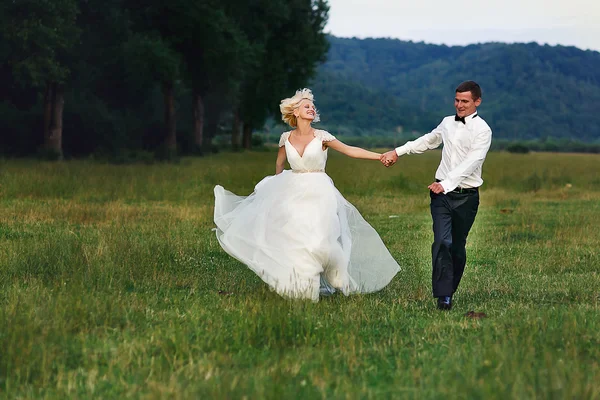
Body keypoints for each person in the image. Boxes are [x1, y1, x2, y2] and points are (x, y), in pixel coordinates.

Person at [214, 88, 400, 301]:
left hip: (319, 189)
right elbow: (279, 162)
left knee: (320, 237)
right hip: (293, 188)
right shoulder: (286, 138)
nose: (311, 109)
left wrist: (380, 157)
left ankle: (335, 269)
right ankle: (305, 286)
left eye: (312, 106)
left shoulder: (322, 137)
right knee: (298, 237)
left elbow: (350, 150)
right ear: (295, 112)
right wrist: (278, 186)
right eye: (306, 106)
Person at [381, 81, 492, 310]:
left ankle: (449, 288)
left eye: (465, 101)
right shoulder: (446, 123)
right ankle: (444, 297)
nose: (459, 105)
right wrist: (398, 152)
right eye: (457, 100)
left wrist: (449, 183)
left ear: (477, 102)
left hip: (467, 196)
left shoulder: (483, 130)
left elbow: (473, 162)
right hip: (440, 195)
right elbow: (428, 141)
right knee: (442, 241)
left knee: (457, 247)